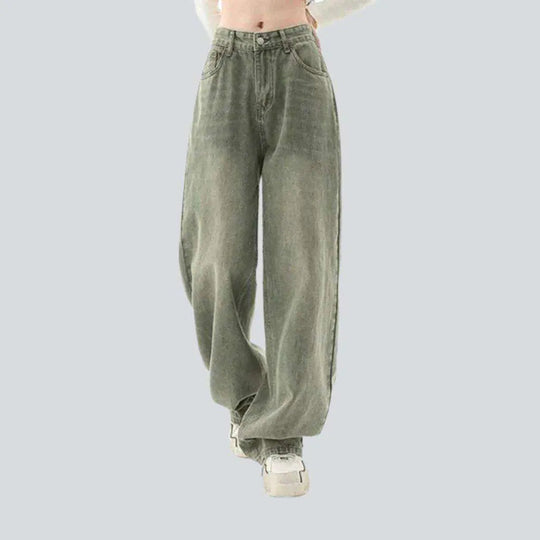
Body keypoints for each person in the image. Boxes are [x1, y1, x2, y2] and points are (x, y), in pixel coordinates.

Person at [179, 0, 372, 497]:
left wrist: (316, 14)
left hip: (298, 65)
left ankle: (283, 432)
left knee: (301, 254)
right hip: (226, 63)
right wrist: (225, 35)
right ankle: (244, 397)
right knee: (214, 249)